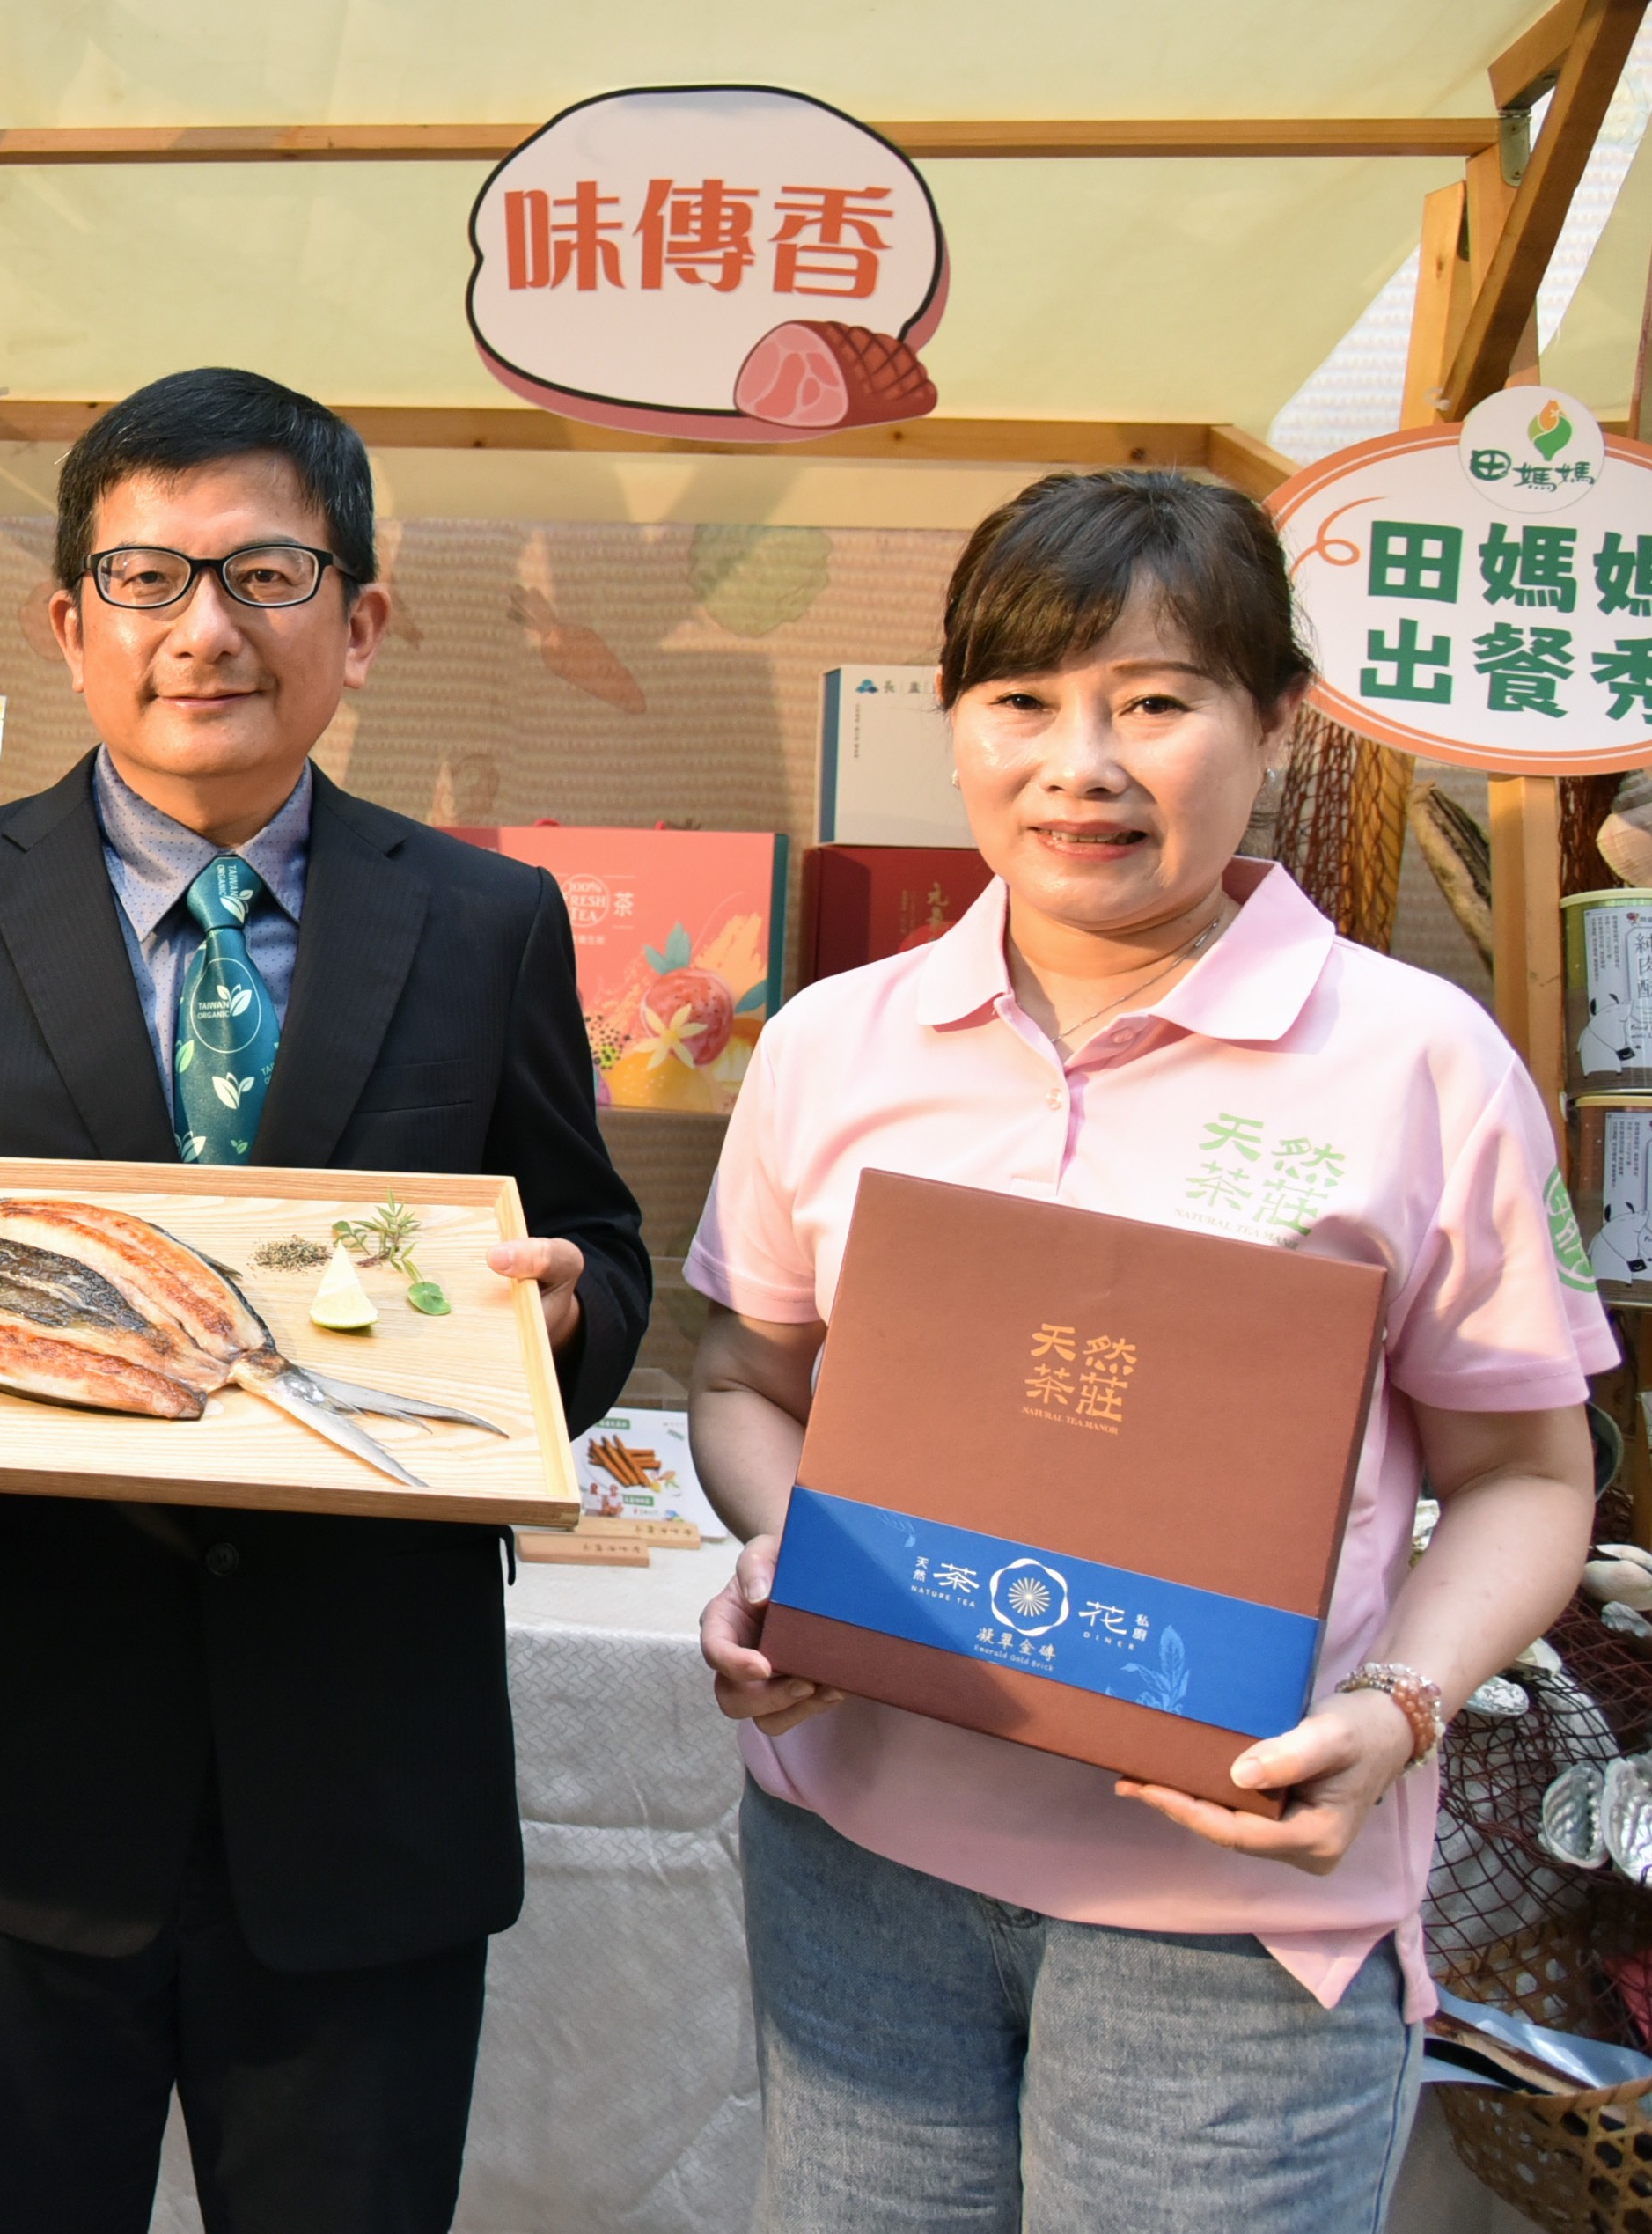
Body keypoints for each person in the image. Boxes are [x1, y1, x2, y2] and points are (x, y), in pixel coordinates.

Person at [0, 365, 650, 2231]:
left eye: (265, 575)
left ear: (359, 624)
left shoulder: (487, 922)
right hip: (9, 1774)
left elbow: (599, 1249)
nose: (203, 629)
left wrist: (559, 1315)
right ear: (69, 624)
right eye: (145, 579)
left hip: (364, 1783)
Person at [688, 469, 1609, 2229]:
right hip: (859, 1860)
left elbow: (1526, 1476)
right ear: (954, 720)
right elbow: (746, 1380)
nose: (1080, 764)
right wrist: (791, 1550)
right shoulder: (836, 1041)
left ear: (1277, 720)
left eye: (1158, 703)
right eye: (1022, 700)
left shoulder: (1421, 1062)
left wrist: (1401, 1709)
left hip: (1230, 1907)